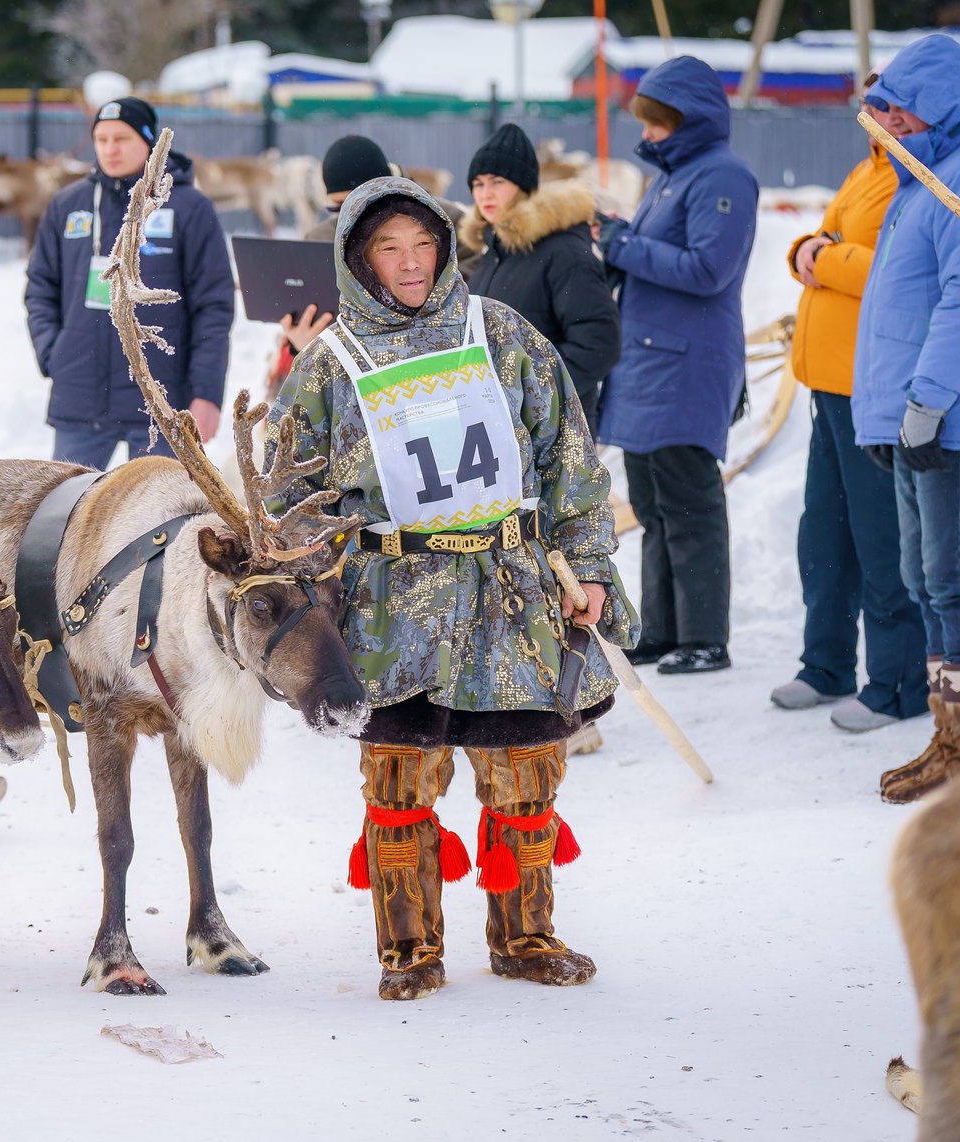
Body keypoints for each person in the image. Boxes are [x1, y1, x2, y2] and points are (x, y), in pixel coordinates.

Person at [271, 176, 637, 1001]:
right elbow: (286, 493)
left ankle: (526, 936)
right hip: (391, 607)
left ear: (444, 246)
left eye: (422, 246)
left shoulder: (501, 334)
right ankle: (410, 948)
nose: (408, 264)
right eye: (388, 250)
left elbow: (568, 459)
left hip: (508, 594)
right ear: (359, 260)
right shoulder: (330, 364)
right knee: (399, 783)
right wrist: (314, 581)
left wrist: (588, 566)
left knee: (527, 777)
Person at [853, 35, 960, 803]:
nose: (885, 122)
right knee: (925, 579)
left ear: (937, 110)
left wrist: (926, 402)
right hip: (918, 415)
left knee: (956, 581)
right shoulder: (927, 174)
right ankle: (949, 735)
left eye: (897, 111)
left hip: (952, 415)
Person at [597, 56, 759, 675]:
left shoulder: (724, 177)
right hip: (647, 365)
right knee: (654, 503)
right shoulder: (671, 177)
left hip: (688, 364)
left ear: (687, 121)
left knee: (690, 505)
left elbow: (707, 269)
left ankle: (706, 638)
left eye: (659, 123)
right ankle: (664, 630)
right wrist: (619, 241)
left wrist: (625, 245)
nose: (650, 135)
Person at [769, 122, 927, 733]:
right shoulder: (867, 170)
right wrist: (808, 249)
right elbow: (818, 242)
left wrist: (823, 254)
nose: (873, 112)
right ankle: (826, 663)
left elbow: (891, 270)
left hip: (874, 389)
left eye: (887, 102)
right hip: (828, 387)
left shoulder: (915, 180)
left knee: (879, 537)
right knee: (825, 535)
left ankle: (897, 682)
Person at [26, 96, 233, 468]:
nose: (110, 149)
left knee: (161, 522)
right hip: (80, 399)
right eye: (101, 139)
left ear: (150, 142)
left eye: (121, 138)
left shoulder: (188, 207)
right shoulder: (67, 205)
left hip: (162, 403)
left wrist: (206, 393)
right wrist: (53, 353)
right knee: (66, 517)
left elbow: (213, 307)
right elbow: (40, 287)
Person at [460, 122, 621, 432]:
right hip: (503, 426)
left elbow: (600, 343)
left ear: (524, 186)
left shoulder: (564, 252)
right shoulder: (492, 255)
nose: (486, 193)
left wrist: (537, 396)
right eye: (478, 184)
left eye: (497, 182)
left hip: (557, 431)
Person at [266, 135, 395, 399]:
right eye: (337, 207)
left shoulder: (426, 233)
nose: (348, 216)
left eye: (358, 204)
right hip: (337, 387)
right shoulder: (319, 239)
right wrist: (299, 343)